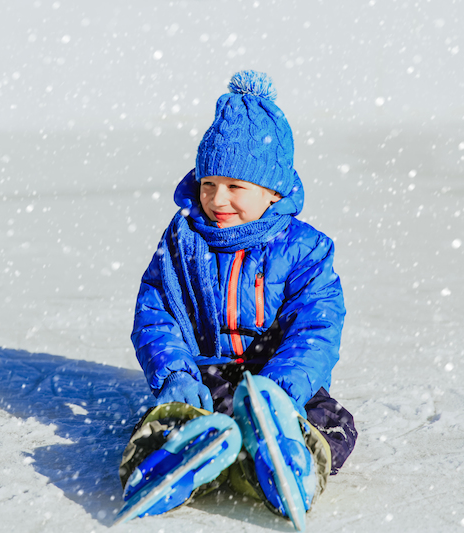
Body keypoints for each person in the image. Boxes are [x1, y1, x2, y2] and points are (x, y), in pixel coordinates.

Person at [120, 70, 357, 519]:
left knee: (332, 423)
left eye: (236, 187)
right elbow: (156, 313)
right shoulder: (183, 242)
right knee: (165, 420)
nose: (218, 199)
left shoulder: (303, 249)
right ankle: (171, 462)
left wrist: (284, 388)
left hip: (276, 379)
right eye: (208, 184)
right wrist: (176, 377)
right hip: (207, 375)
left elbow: (317, 325)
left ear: (271, 192)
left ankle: (290, 458)